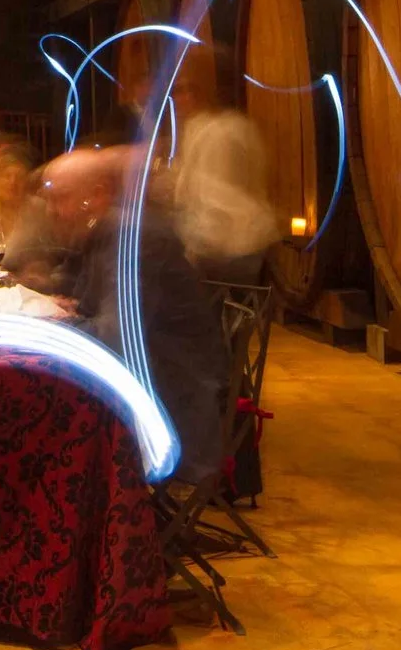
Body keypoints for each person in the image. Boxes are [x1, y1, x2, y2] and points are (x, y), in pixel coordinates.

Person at [39, 147, 231, 485]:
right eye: (49, 200)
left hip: (171, 392)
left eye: (61, 198)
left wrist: (51, 326)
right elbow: (87, 305)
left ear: (97, 196)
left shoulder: (134, 240)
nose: (52, 211)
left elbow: (116, 337)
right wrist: (67, 312)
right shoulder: (106, 232)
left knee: (36, 415)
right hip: (149, 371)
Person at [173, 110, 281, 284]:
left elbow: (183, 190)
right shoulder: (242, 128)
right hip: (253, 233)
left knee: (211, 298)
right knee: (242, 299)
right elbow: (258, 173)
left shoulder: (199, 132)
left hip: (216, 239)